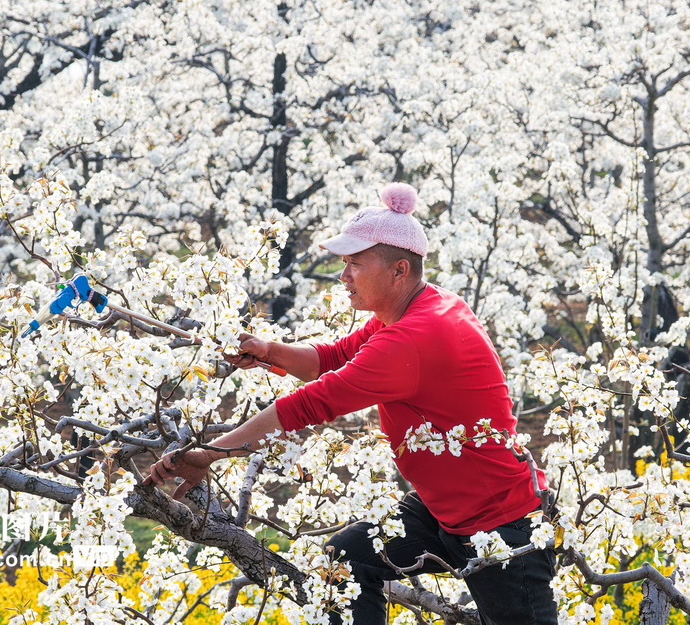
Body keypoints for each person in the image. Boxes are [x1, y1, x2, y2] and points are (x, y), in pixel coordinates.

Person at [147, 183, 557, 624]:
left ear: (399, 270)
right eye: (344, 264)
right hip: (445, 513)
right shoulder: (414, 309)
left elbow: (309, 404)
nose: (343, 276)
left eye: (355, 265)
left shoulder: (414, 337)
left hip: (502, 524)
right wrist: (269, 350)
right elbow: (330, 358)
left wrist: (209, 455)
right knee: (342, 561)